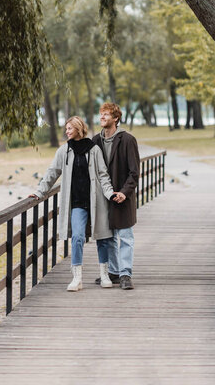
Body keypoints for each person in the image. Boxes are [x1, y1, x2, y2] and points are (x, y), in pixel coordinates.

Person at [30, 116, 123, 291]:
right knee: (78, 237)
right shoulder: (63, 151)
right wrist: (39, 191)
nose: (67, 132)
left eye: (70, 128)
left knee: (103, 238)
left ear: (79, 129)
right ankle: (77, 278)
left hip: (97, 202)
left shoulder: (94, 150)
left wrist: (110, 194)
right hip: (77, 203)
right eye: (66, 129)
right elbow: (52, 173)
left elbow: (103, 175)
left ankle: (104, 275)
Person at [94, 103, 140, 290]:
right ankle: (113, 272)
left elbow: (134, 172)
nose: (102, 117)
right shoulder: (95, 140)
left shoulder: (127, 140)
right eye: (101, 114)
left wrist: (124, 192)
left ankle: (125, 274)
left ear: (116, 118)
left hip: (123, 196)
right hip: (103, 198)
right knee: (109, 237)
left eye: (106, 114)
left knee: (126, 236)